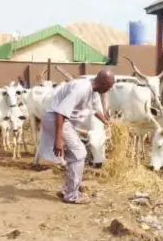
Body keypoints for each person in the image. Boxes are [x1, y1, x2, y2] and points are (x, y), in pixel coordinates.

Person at [39, 70, 114, 204]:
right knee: (79, 153)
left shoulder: (94, 91)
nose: (110, 89)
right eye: (109, 86)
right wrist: (59, 139)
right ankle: (71, 195)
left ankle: (69, 189)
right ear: (102, 83)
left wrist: (106, 122)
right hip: (56, 119)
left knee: (76, 155)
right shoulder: (81, 89)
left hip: (64, 122)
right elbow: (60, 113)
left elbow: (95, 109)